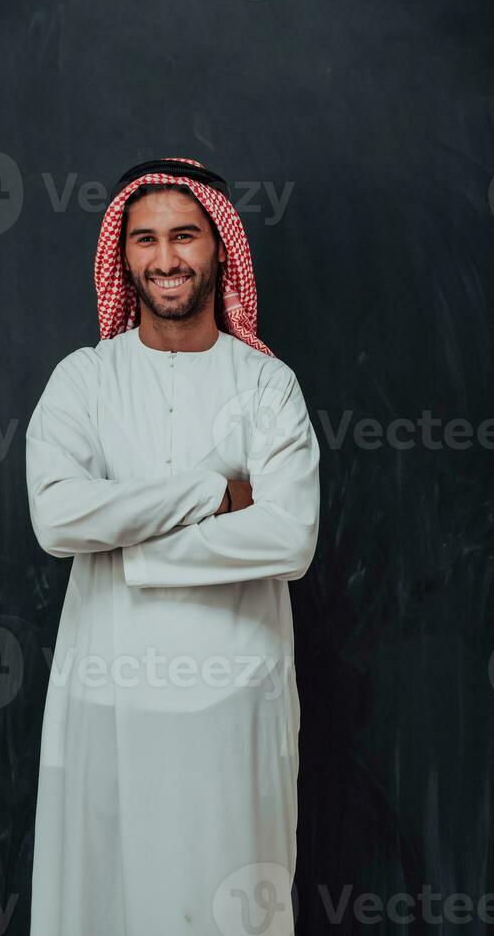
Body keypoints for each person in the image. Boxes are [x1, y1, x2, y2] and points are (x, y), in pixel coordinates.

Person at [25, 156, 320, 936]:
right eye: (145, 240)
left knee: (229, 900)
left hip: (234, 702)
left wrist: (134, 550)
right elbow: (57, 520)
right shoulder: (83, 380)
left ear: (220, 249)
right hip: (107, 693)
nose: (165, 259)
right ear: (121, 256)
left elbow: (289, 536)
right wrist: (211, 492)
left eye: (184, 236)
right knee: (105, 898)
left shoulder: (266, 385)